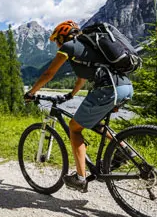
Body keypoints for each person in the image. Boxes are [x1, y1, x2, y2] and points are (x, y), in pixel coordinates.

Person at [24, 20, 134, 193]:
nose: (57, 44)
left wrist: (31, 92)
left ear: (63, 36)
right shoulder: (89, 48)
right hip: (125, 87)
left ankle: (80, 178)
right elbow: (81, 78)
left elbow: (48, 73)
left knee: (74, 128)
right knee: (96, 124)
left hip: (108, 89)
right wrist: (71, 95)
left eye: (57, 40)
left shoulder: (69, 47)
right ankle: (125, 150)